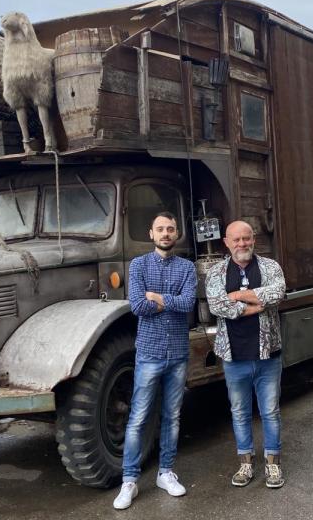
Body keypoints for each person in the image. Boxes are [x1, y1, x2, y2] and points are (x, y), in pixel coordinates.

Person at [113, 212, 197, 510]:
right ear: (151, 233)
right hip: (148, 352)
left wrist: (159, 298)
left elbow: (188, 304)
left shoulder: (187, 267)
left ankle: (165, 472)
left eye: (170, 229)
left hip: (177, 353)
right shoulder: (138, 266)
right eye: (160, 229)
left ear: (177, 234)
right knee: (138, 417)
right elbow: (137, 305)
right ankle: (130, 481)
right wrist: (169, 300)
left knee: (172, 417)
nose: (165, 233)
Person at [205, 220, 287, 489]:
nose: (242, 244)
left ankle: (272, 464)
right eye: (236, 240)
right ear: (226, 243)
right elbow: (217, 305)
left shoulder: (270, 267)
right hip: (234, 356)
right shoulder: (216, 272)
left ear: (254, 240)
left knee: (270, 412)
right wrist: (255, 305)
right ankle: (246, 464)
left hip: (268, 354)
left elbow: (278, 292)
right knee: (239, 412)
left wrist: (238, 295)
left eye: (247, 238)